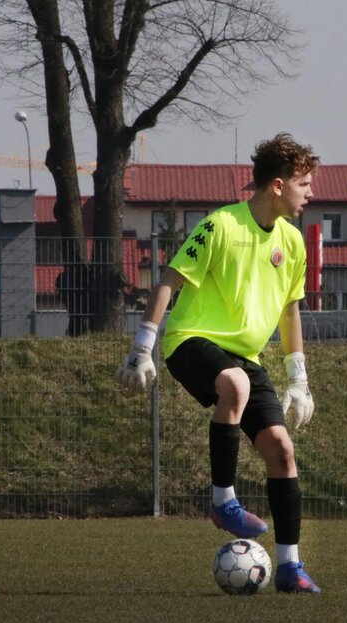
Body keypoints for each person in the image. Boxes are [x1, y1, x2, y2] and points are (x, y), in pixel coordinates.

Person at [115, 133, 321, 593]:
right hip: (191, 341)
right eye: (304, 183)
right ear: (277, 185)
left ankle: (290, 567)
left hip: (246, 358)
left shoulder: (293, 242)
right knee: (235, 384)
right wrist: (143, 346)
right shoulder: (220, 225)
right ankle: (222, 501)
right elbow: (169, 281)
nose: (310, 193)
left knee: (282, 451)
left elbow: (290, 312)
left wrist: (298, 379)